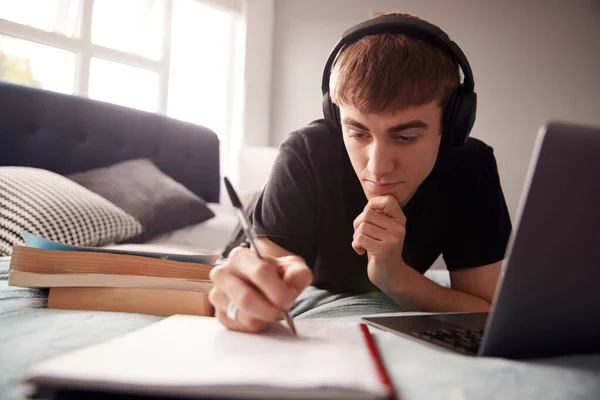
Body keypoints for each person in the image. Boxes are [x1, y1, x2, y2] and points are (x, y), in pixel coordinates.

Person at [209, 12, 512, 333]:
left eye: (405, 137)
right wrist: (263, 291)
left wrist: (395, 276)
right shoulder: (305, 151)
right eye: (357, 133)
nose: (377, 167)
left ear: (451, 126)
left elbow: (485, 311)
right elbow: (267, 276)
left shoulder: (471, 167)